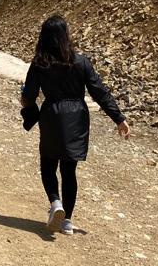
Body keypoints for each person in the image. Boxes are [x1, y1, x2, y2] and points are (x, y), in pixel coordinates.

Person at [21, 14, 130, 235]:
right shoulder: (81, 61)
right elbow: (99, 91)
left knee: (48, 165)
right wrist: (119, 118)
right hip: (77, 117)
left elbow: (30, 96)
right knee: (69, 170)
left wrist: (26, 107)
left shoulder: (39, 63)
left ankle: (55, 202)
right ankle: (67, 222)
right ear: (65, 36)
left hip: (51, 114)